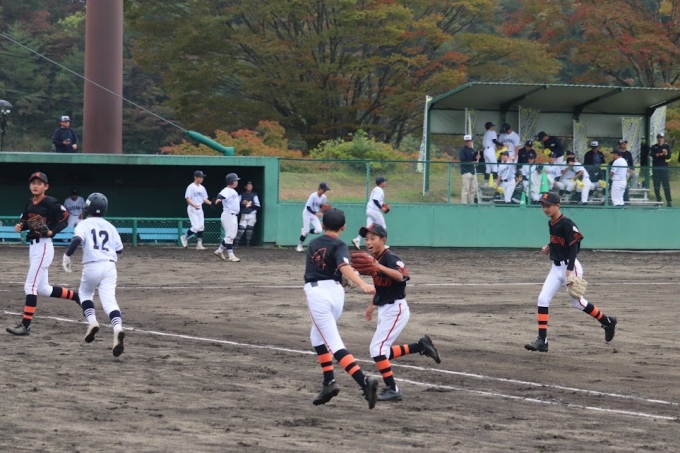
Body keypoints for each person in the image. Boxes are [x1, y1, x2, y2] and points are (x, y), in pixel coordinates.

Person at [304, 208, 379, 409]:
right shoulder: (340, 245)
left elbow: (343, 267)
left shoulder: (313, 243)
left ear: (323, 225)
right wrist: (355, 277)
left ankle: (364, 381)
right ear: (343, 228)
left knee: (333, 343)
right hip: (336, 295)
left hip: (318, 295)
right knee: (317, 337)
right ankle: (328, 381)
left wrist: (362, 284)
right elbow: (341, 267)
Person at [525, 192, 617, 352]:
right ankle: (542, 340)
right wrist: (549, 246)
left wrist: (569, 270)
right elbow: (559, 242)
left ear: (557, 206)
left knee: (577, 302)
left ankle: (607, 321)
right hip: (555, 268)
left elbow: (574, 247)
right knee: (543, 299)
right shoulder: (551, 223)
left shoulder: (566, 223)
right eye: (543, 206)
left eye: (548, 205)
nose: (545, 209)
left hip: (570, 266)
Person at [359, 223, 441, 401]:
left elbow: (401, 276)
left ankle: (393, 389)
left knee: (376, 350)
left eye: (373, 238)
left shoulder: (391, 258)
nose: (368, 242)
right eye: (366, 239)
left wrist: (379, 267)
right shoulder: (375, 259)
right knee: (383, 352)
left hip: (396, 309)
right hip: (385, 308)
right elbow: (380, 286)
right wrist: (372, 305)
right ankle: (421, 346)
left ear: (383, 240)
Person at [7, 172, 80, 336]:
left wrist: (53, 231)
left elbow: (65, 218)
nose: (35, 185)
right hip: (33, 247)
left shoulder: (51, 202)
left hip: (44, 246)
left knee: (30, 286)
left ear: (46, 186)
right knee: (44, 289)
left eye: (39, 183)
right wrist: (20, 227)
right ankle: (78, 297)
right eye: (33, 183)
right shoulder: (29, 203)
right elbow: (26, 222)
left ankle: (26, 326)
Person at [61, 193, 126, 357]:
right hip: (110, 266)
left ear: (87, 208)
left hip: (92, 265)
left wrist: (67, 255)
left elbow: (76, 240)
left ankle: (92, 322)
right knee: (110, 302)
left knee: (84, 294)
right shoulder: (110, 226)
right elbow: (119, 250)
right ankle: (117, 328)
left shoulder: (84, 223)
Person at [352, 178, 389, 249]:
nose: (385, 183)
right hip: (374, 211)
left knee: (369, 228)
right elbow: (375, 200)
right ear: (381, 183)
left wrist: (382, 204)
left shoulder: (375, 189)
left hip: (369, 210)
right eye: (384, 182)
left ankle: (357, 239)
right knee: (383, 227)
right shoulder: (379, 190)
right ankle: (382, 245)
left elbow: (376, 200)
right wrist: (382, 208)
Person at [180, 170, 212, 250]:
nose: (202, 179)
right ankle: (184, 237)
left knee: (201, 227)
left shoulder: (202, 188)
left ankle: (199, 245)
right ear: (195, 177)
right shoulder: (191, 187)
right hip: (192, 208)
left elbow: (205, 199)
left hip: (199, 208)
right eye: (200, 177)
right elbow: (188, 198)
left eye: (202, 177)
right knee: (195, 227)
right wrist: (194, 205)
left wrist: (212, 203)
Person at [213, 173, 241, 262]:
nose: (237, 182)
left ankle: (219, 251)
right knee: (230, 236)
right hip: (228, 215)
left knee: (231, 236)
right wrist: (218, 199)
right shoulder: (227, 190)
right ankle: (231, 255)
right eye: (235, 180)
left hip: (233, 216)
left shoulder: (233, 191)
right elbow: (220, 195)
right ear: (231, 181)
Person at [298, 182, 331, 252]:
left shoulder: (324, 197)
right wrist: (316, 213)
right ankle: (299, 246)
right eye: (324, 189)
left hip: (314, 214)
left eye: (326, 190)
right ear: (320, 188)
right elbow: (308, 207)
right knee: (306, 231)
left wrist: (325, 209)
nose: (325, 191)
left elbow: (321, 205)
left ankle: (305, 230)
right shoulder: (313, 196)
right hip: (307, 213)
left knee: (319, 230)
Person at [234, 181, 260, 247]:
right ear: (245, 187)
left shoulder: (254, 195)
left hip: (252, 214)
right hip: (244, 214)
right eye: (248, 186)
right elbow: (236, 204)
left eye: (251, 186)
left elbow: (257, 206)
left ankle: (248, 244)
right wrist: (245, 205)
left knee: (249, 229)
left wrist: (249, 204)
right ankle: (236, 243)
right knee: (241, 229)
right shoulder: (241, 195)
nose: (250, 187)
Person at [651, 133, 672, 206]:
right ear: (657, 138)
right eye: (659, 137)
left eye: (661, 138)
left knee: (666, 185)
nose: (660, 139)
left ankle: (669, 201)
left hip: (664, 168)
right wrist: (661, 154)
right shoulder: (654, 147)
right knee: (656, 185)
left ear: (663, 139)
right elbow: (653, 155)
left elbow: (668, 156)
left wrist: (661, 155)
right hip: (656, 168)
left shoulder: (666, 146)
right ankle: (658, 200)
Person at [458, 135, 479, 204]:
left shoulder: (472, 150)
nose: (468, 142)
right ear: (465, 142)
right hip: (466, 171)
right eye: (466, 141)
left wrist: (477, 158)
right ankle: (464, 203)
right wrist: (472, 162)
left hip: (472, 171)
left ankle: (471, 203)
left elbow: (474, 159)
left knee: (472, 189)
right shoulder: (463, 150)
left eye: (469, 141)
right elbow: (463, 160)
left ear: (471, 141)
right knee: (466, 189)